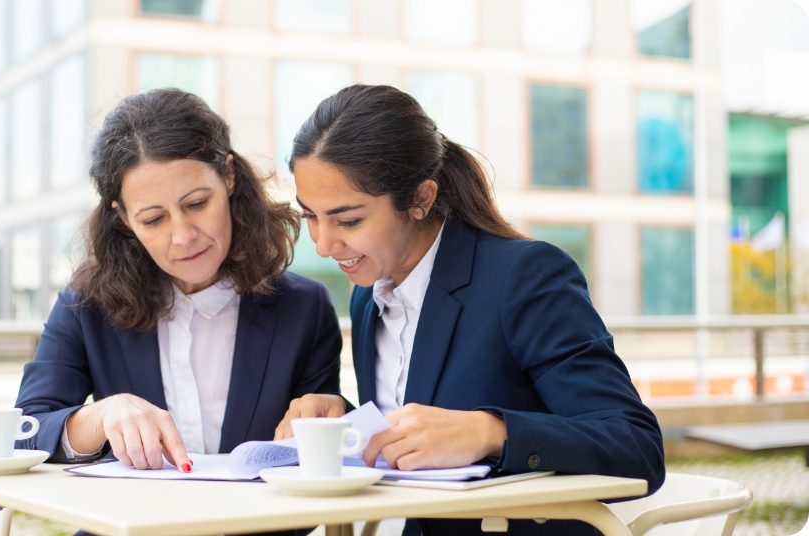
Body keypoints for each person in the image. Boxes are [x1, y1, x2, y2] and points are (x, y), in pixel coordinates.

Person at [274, 84, 665, 536]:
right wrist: (344, 419)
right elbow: (421, 428)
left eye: (348, 221)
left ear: (420, 198)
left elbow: (636, 446)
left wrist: (490, 433)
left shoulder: (523, 276)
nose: (323, 245)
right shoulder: (368, 296)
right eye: (310, 217)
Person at [14, 89, 343, 480]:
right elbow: (25, 434)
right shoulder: (87, 303)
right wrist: (100, 417)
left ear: (229, 177)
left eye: (197, 204)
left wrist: (330, 419)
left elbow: (323, 450)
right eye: (154, 219)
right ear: (123, 219)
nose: (184, 237)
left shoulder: (305, 308)